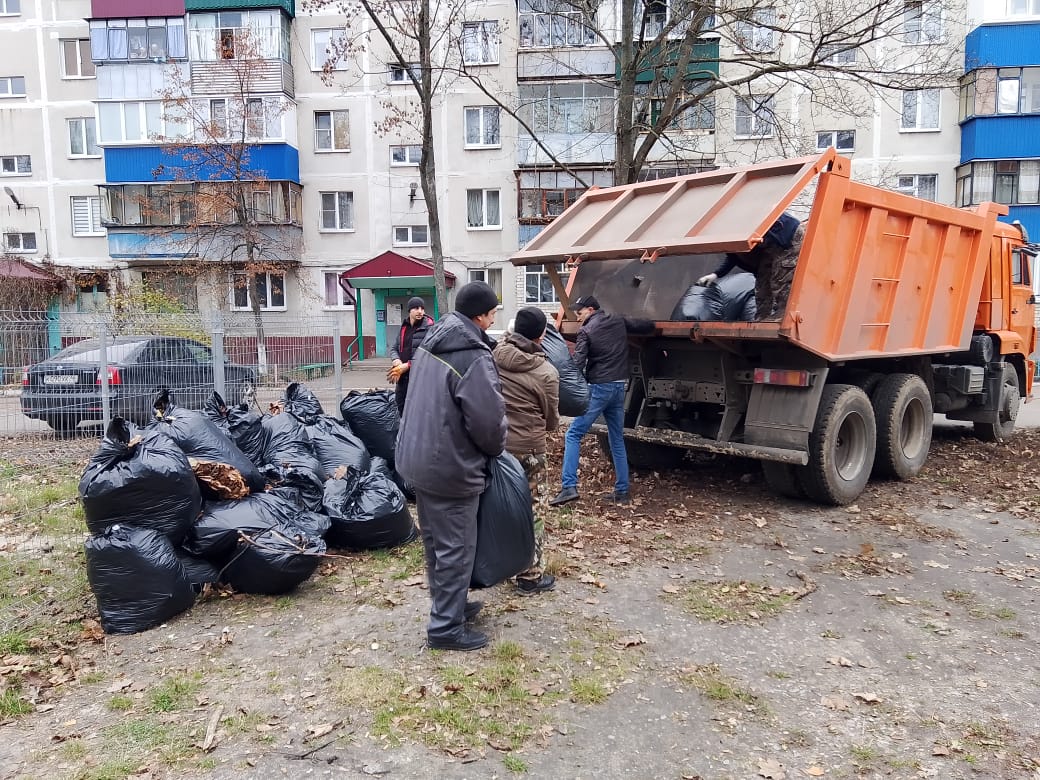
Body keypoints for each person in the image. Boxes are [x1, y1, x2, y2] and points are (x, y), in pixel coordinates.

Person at [395, 281, 507, 652]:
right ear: (480, 316)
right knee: (456, 546)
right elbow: (488, 424)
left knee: (437, 543)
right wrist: (497, 450)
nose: (493, 320)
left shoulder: (431, 340)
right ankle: (445, 628)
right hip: (450, 466)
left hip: (419, 458)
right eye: (492, 314)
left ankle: (451, 605)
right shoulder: (472, 354)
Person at [492, 307, 560, 595]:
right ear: (542, 334)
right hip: (530, 451)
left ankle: (501, 564)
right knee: (533, 511)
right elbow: (552, 419)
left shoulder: (493, 356)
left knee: (501, 508)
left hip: (496, 447)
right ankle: (530, 577)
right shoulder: (546, 372)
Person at [549, 294, 631, 507]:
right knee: (616, 438)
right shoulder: (617, 322)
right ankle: (622, 491)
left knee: (574, 433)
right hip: (619, 386)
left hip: (600, 388)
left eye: (580, 311)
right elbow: (642, 326)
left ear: (591, 310)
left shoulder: (586, 330)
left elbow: (578, 363)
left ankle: (568, 487)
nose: (578, 316)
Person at [696, 211, 803, 321]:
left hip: (787, 236)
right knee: (762, 282)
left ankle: (783, 315)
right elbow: (733, 257)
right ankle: (762, 317)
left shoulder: (739, 225)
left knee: (780, 277)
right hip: (768, 245)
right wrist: (716, 274)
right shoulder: (732, 242)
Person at [387, 296, 434, 416]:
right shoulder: (404, 327)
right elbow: (394, 348)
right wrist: (396, 359)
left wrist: (407, 365)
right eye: (416, 308)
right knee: (401, 410)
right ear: (409, 310)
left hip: (421, 380)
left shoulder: (429, 329)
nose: (420, 311)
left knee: (419, 414)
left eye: (422, 308)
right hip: (403, 379)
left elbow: (429, 355)